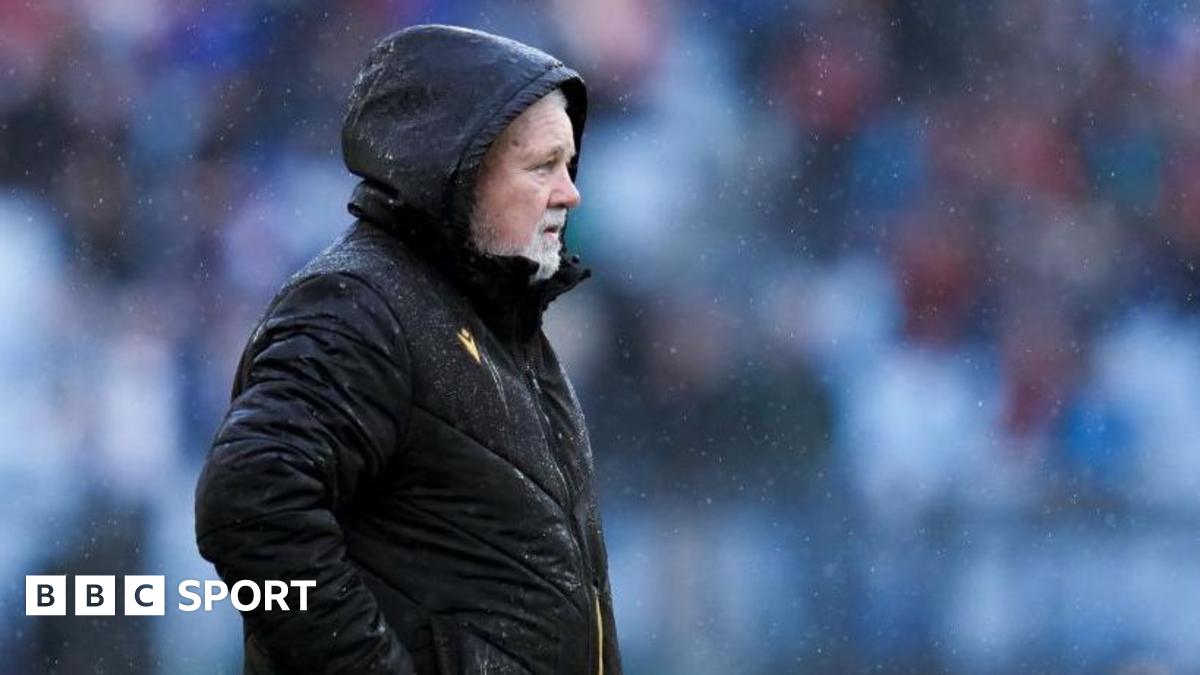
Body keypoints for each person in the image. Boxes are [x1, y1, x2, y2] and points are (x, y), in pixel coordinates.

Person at [194, 24, 622, 675]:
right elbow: (250, 505)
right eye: (541, 166)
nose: (570, 192)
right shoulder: (356, 304)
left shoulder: (502, 317)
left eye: (569, 164)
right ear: (456, 168)